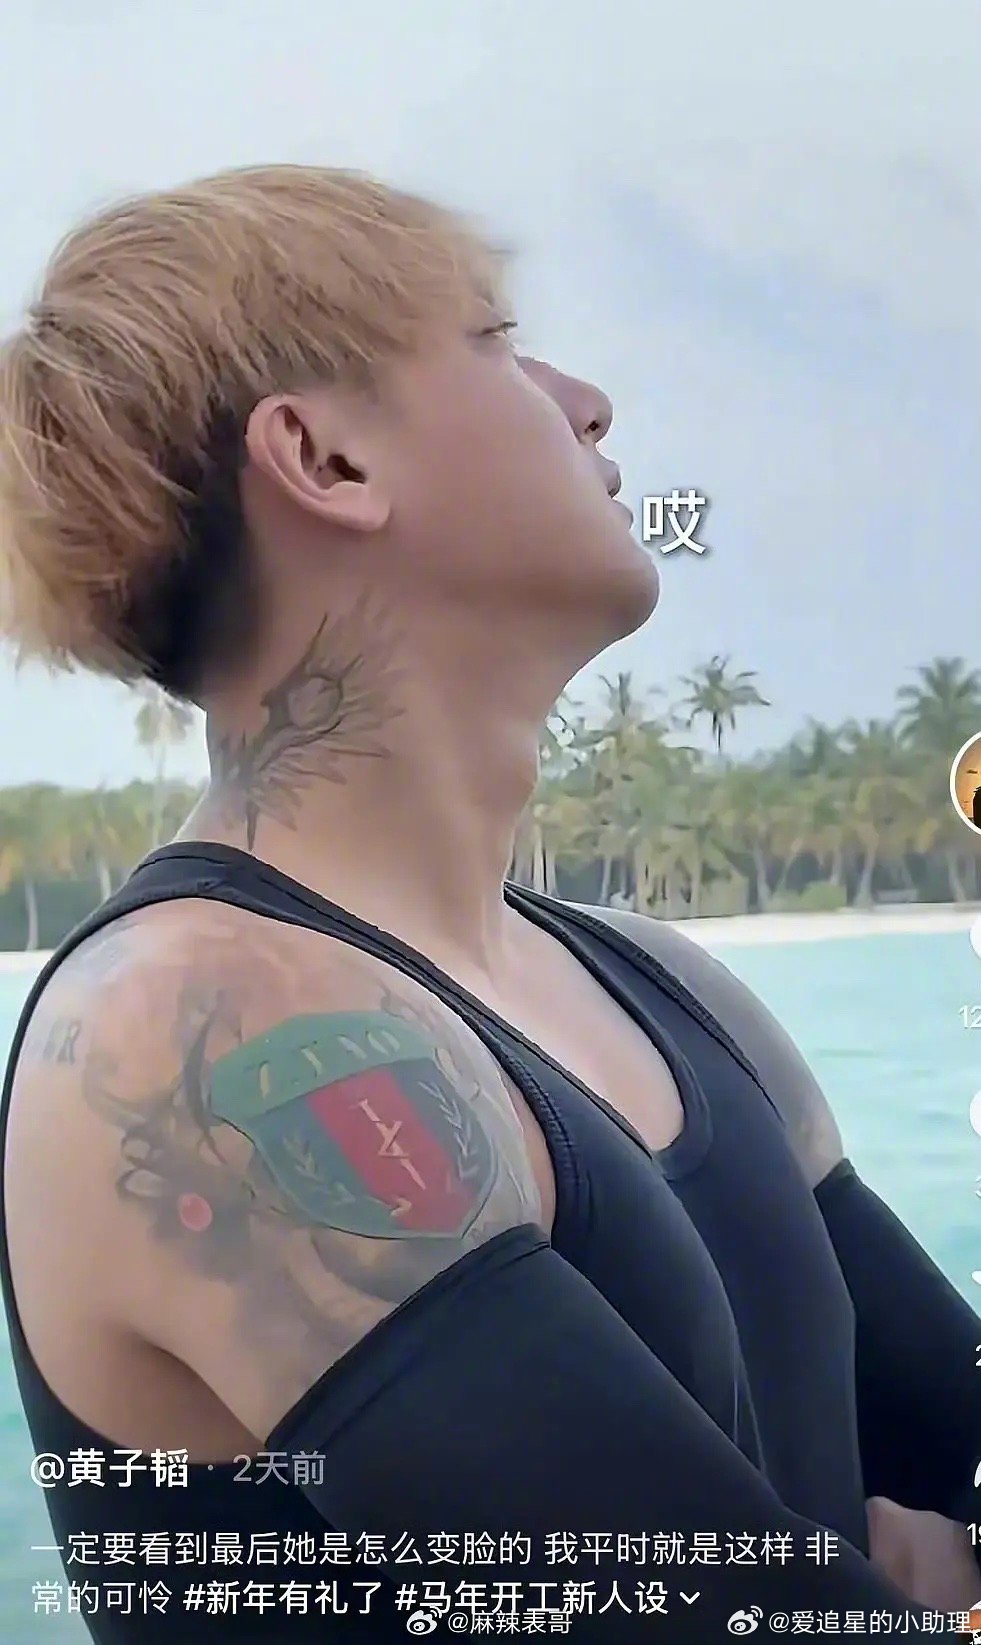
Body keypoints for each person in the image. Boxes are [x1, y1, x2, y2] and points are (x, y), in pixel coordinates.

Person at [0, 165, 978, 1643]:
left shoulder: (669, 987)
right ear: (323, 458)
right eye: (498, 341)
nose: (589, 404)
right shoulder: (193, 1033)